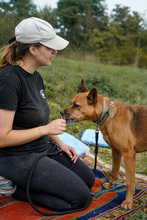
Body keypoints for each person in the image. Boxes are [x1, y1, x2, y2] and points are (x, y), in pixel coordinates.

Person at [0, 17, 95, 212]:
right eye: (50, 47)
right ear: (33, 49)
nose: (55, 51)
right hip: (15, 157)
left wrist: (60, 143)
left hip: (41, 149)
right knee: (80, 199)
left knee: (89, 180)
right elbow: (2, 138)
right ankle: (13, 188)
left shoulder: (36, 76)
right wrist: (45, 129)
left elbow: (35, 121)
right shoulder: (9, 81)